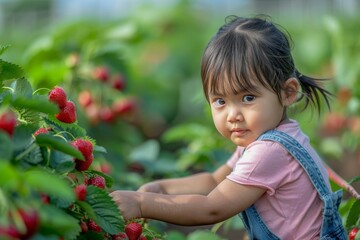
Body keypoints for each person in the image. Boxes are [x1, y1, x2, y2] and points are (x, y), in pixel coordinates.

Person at [110, 15, 347, 239]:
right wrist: (161, 188)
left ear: (288, 93)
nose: (233, 115)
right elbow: (215, 181)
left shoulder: (269, 152)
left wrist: (142, 204)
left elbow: (212, 208)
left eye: (248, 98)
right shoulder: (267, 138)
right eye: (220, 101)